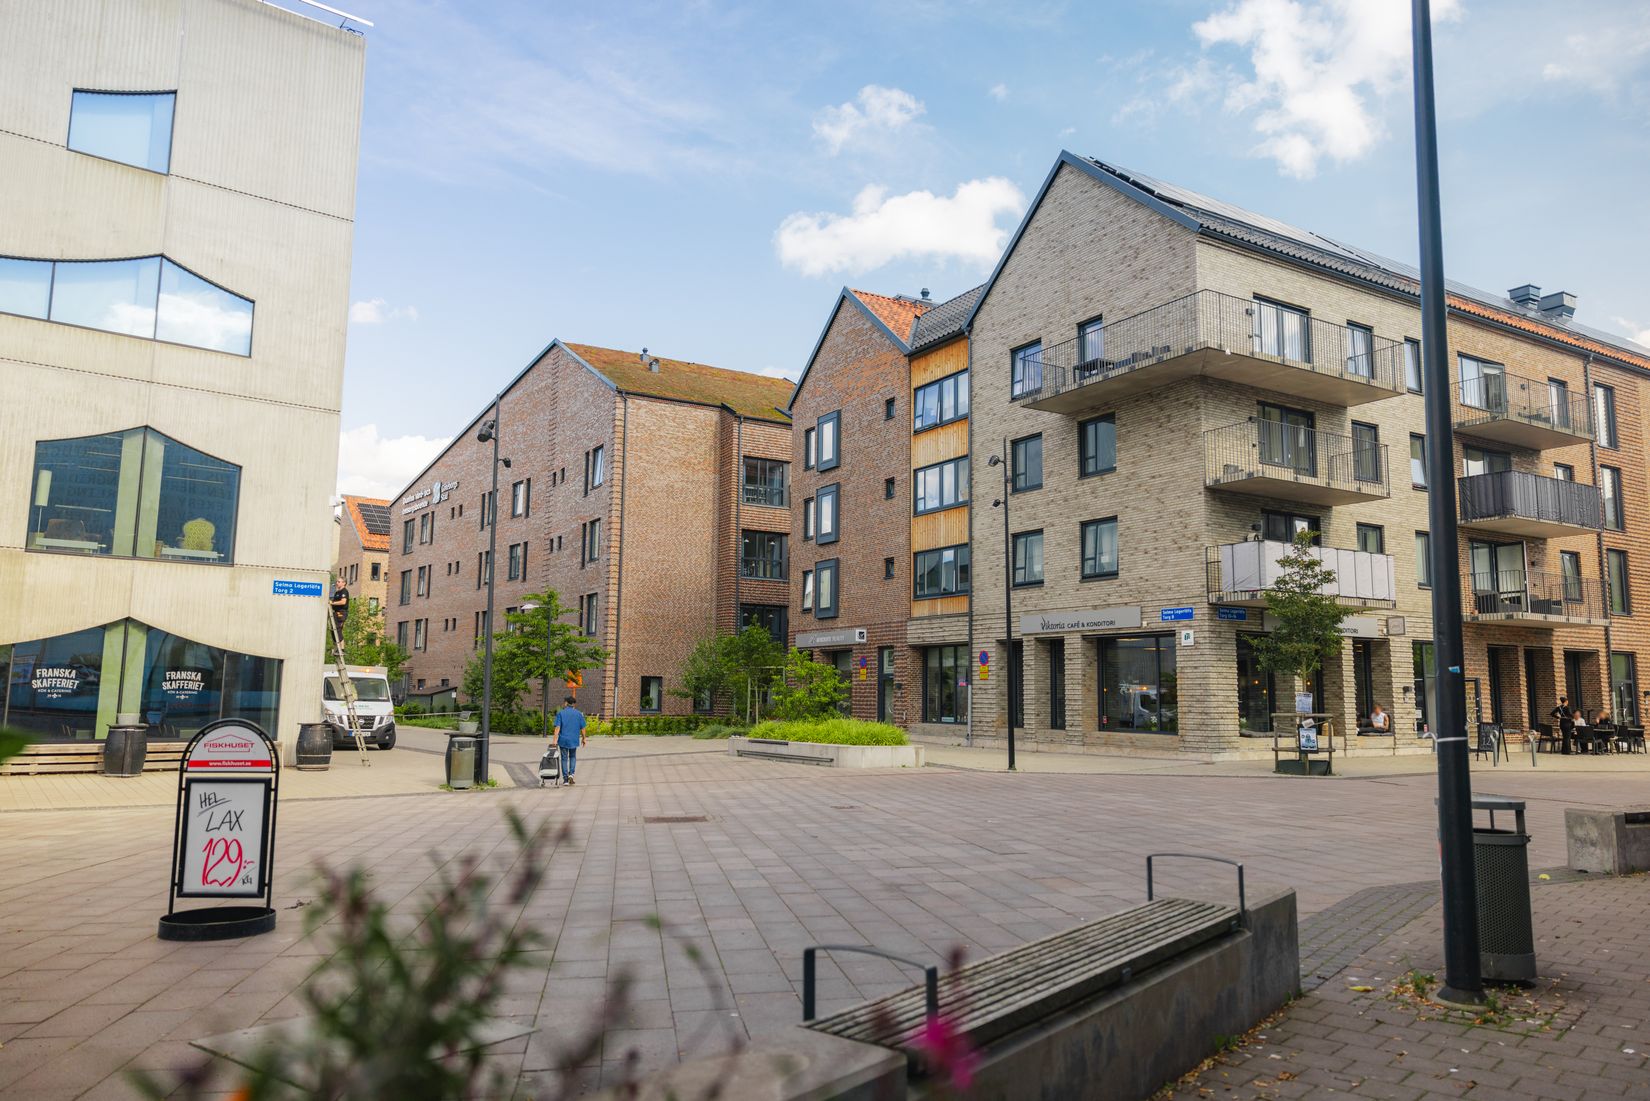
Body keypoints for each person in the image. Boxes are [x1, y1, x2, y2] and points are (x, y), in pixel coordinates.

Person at [553, 695, 588, 785]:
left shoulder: (561, 713)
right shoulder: (578, 714)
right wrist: (584, 739)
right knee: (572, 757)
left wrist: (554, 741)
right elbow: (583, 728)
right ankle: (571, 774)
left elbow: (557, 727)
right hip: (574, 740)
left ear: (566, 703)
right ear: (574, 704)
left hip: (563, 740)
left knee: (564, 759)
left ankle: (565, 779)